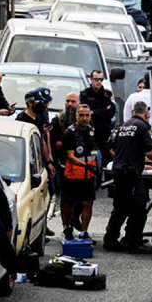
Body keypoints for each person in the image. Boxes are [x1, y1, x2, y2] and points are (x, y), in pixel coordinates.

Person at [103, 101, 152, 254]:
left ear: (133, 111)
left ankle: (110, 240)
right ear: (146, 113)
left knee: (120, 207)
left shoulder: (121, 126)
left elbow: (109, 146)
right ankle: (134, 242)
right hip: (132, 173)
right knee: (139, 207)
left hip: (119, 171)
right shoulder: (143, 127)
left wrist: (120, 158)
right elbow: (148, 151)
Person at [61, 104, 99, 241]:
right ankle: (67, 227)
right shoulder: (69, 133)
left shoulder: (92, 131)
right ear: (76, 116)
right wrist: (85, 165)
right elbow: (70, 156)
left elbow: (95, 152)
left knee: (88, 203)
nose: (84, 118)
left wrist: (96, 166)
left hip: (88, 176)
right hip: (72, 175)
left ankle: (84, 231)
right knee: (69, 203)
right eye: (81, 115)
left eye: (87, 115)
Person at [51, 92, 82, 231]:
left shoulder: (85, 119)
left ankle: (76, 218)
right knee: (66, 196)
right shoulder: (59, 119)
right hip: (63, 164)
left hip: (81, 165)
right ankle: (66, 225)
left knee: (82, 197)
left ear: (78, 103)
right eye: (67, 101)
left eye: (73, 101)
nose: (70, 104)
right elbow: (54, 143)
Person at [80, 70, 116, 173]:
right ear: (91, 79)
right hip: (90, 130)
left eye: (101, 79)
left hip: (105, 132)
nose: (98, 82)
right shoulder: (85, 94)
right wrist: (102, 111)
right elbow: (84, 112)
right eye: (96, 79)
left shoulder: (107, 94)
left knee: (108, 160)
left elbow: (111, 112)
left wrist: (93, 112)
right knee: (91, 158)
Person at [17, 87, 56, 177]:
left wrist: (48, 162)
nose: (43, 105)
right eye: (40, 103)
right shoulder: (21, 120)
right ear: (30, 103)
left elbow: (41, 141)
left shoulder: (39, 117)